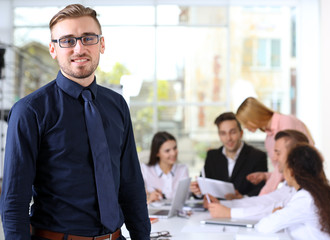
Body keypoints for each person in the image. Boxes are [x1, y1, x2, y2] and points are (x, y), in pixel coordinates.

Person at [0, 4, 150, 240]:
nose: (79, 48)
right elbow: (14, 201)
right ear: (53, 49)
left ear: (101, 44)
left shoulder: (117, 105)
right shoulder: (30, 111)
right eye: (67, 40)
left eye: (87, 38)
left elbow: (131, 185)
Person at [205, 130, 309, 220]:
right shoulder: (290, 184)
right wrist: (223, 205)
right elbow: (266, 201)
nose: (274, 158)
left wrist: (229, 212)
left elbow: (271, 210)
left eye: (278, 153)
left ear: (295, 156)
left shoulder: (304, 191)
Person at [255, 144, 330, 240]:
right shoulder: (322, 193)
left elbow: (264, 227)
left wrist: (277, 214)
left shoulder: (305, 198)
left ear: (291, 171)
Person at [236, 97, 314, 195]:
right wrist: (265, 176)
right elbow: (282, 170)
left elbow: (287, 162)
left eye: (245, 122)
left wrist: (263, 193)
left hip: (306, 185)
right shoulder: (268, 139)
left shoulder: (285, 122)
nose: (245, 127)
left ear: (254, 116)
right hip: (292, 187)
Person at [190, 112, 267, 200]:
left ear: (241, 133)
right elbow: (203, 188)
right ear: (219, 135)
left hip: (244, 209)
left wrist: (242, 198)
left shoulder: (257, 156)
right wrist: (198, 191)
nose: (228, 138)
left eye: (233, 132)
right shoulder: (212, 156)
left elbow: (262, 191)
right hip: (216, 210)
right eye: (223, 133)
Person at [140, 131, 189, 203]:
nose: (173, 153)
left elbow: (187, 196)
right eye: (167, 150)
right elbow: (137, 198)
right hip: (153, 212)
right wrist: (149, 198)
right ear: (157, 153)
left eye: (175, 148)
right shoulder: (145, 169)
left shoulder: (183, 169)